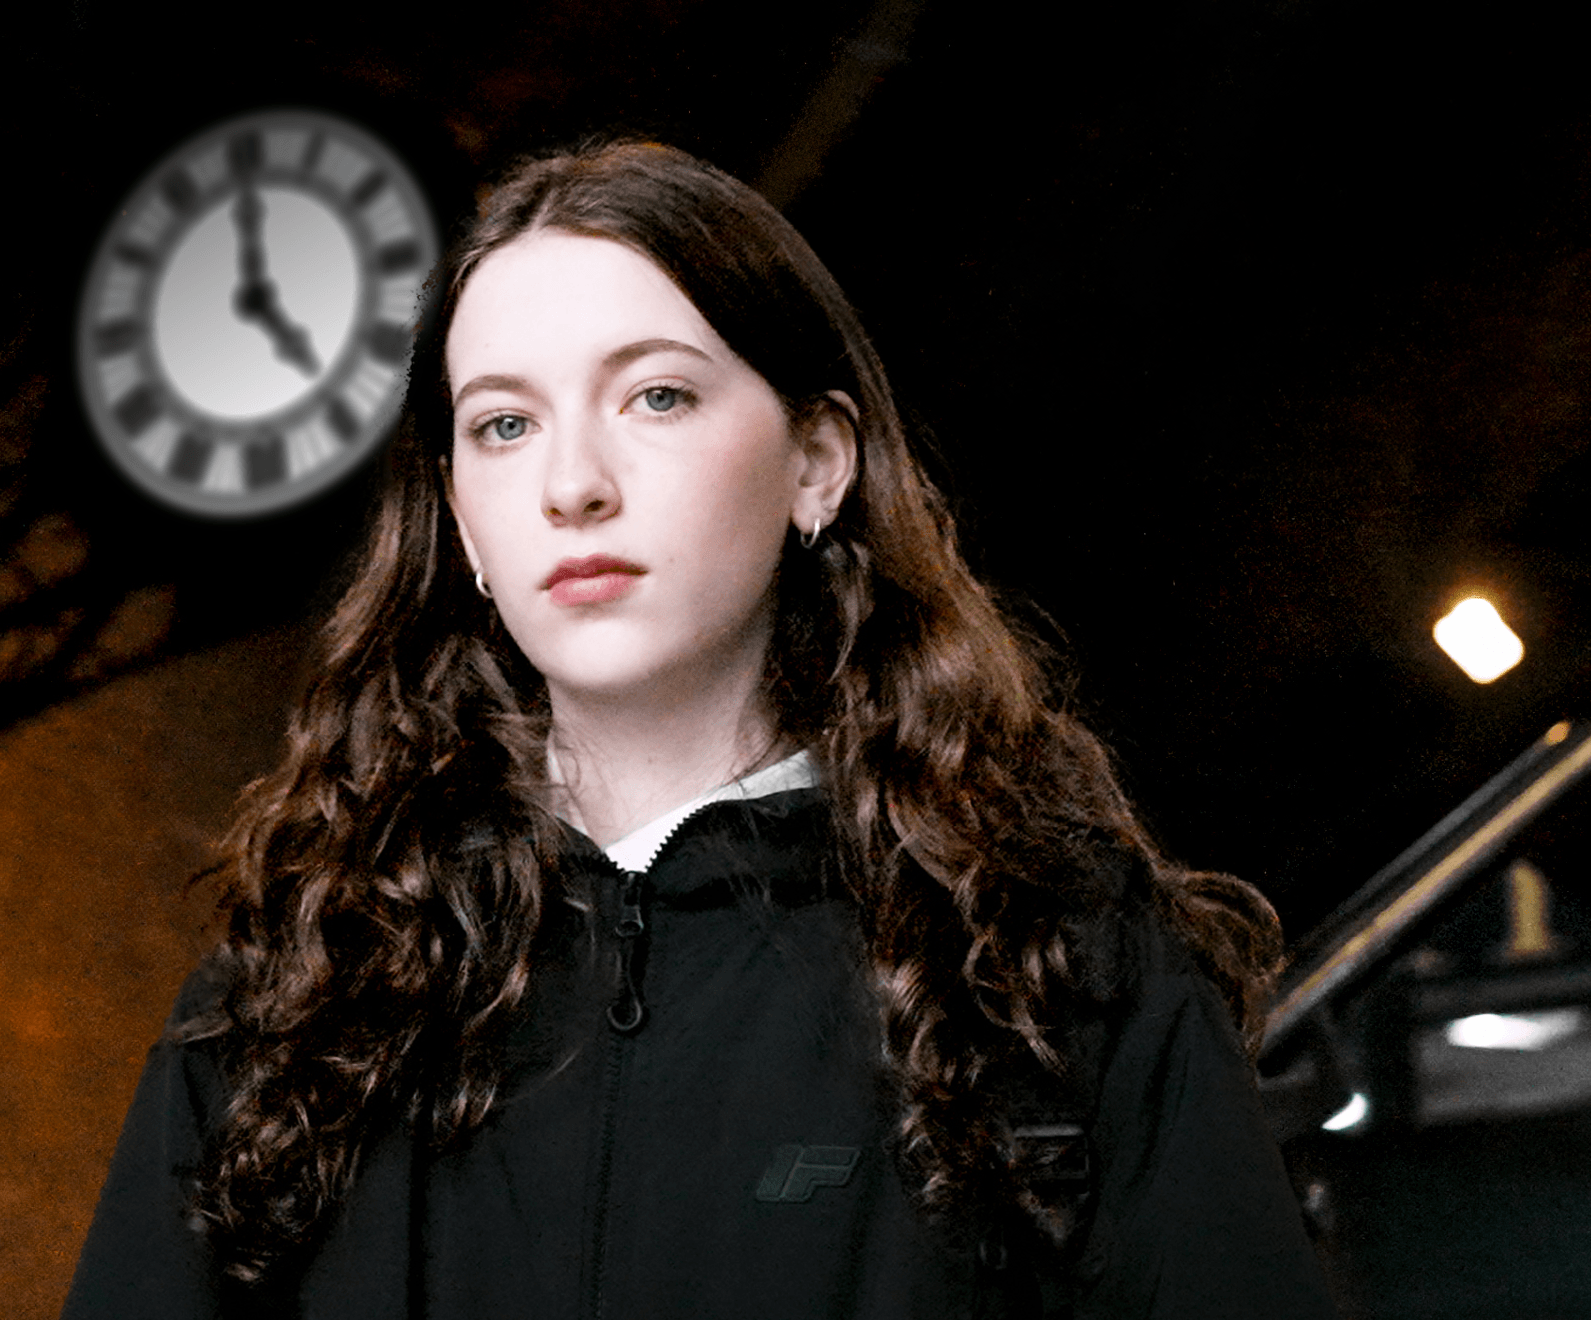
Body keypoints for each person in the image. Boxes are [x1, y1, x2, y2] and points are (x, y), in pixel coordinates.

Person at [64, 141, 1331, 1318]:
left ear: (816, 463)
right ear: (459, 523)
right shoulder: (296, 998)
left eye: (655, 396)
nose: (572, 484)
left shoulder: (1057, 973)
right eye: (503, 424)